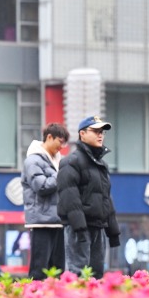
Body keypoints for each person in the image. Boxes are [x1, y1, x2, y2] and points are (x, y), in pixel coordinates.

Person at [57, 115, 121, 278]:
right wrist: (80, 229)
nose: (101, 135)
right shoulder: (71, 162)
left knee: (96, 276)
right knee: (78, 275)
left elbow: (106, 199)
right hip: (79, 229)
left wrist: (113, 232)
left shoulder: (101, 165)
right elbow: (69, 198)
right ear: (82, 134)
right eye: (96, 131)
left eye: (103, 132)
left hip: (97, 227)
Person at [22, 123, 69, 279]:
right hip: (41, 222)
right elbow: (40, 186)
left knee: (58, 270)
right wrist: (61, 175)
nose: (61, 147)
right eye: (60, 142)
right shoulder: (33, 161)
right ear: (49, 137)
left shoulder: (57, 161)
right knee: (39, 270)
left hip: (57, 220)